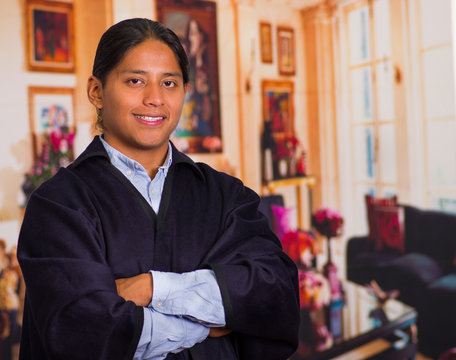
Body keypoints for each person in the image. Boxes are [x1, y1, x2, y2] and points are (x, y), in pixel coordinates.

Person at [18, 18, 300, 360]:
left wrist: (153, 288)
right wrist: (208, 323)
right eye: (135, 81)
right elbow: (81, 328)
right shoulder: (59, 204)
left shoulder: (226, 195)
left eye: (169, 82)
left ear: (185, 91)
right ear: (96, 91)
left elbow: (275, 291)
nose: (155, 99)